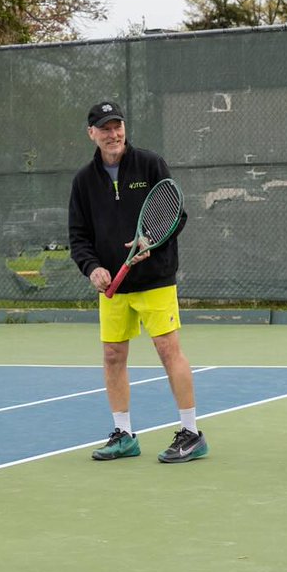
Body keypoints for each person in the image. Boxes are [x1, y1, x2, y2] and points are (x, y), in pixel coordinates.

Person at [68, 100, 207, 464]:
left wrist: (153, 241)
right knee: (113, 356)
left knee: (167, 350)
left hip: (155, 279)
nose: (113, 134)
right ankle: (124, 434)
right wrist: (92, 268)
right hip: (113, 286)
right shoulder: (84, 181)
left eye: (118, 126)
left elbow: (177, 214)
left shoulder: (150, 164)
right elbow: (78, 237)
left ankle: (192, 433)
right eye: (105, 128)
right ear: (92, 134)